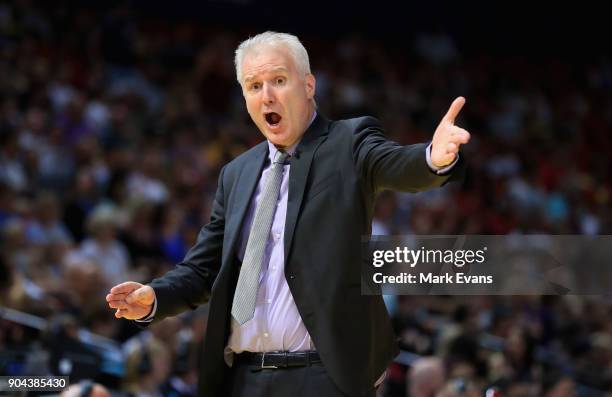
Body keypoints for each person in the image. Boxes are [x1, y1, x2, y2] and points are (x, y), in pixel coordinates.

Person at [106, 31, 470, 397]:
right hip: (244, 378)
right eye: (254, 85)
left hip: (324, 377)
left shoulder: (348, 142)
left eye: (279, 80)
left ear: (308, 85)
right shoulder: (236, 173)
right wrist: (155, 298)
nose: (267, 95)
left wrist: (432, 158)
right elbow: (205, 267)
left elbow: (396, 164)